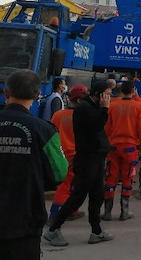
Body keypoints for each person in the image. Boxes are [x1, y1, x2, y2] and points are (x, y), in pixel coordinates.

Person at [0, 70, 67, 259]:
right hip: (25, 221)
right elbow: (59, 174)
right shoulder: (45, 130)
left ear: (6, 93)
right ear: (37, 95)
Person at [44, 81, 114, 247]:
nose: (109, 97)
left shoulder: (91, 106)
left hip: (96, 156)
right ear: (99, 94)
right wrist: (105, 109)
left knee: (97, 195)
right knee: (79, 194)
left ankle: (96, 230)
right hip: (87, 157)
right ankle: (54, 229)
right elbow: (97, 125)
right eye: (108, 94)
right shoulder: (85, 109)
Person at [101, 81, 141, 221]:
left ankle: (107, 211)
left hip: (114, 146)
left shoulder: (113, 105)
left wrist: (108, 141)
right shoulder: (138, 106)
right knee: (127, 177)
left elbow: (107, 126)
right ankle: (124, 211)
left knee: (111, 177)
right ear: (133, 91)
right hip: (130, 147)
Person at [48, 85, 89, 225]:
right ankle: (54, 215)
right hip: (75, 155)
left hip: (59, 154)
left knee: (71, 185)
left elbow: (51, 134)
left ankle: (72, 210)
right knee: (66, 186)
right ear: (78, 101)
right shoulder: (84, 116)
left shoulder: (58, 115)